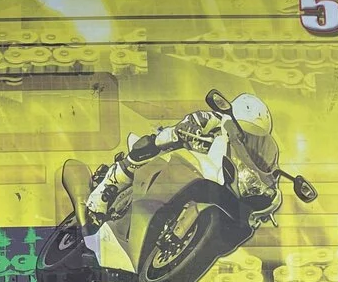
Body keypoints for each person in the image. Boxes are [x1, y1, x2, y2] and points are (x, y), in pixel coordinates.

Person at [84, 91, 283, 228]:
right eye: (247, 129)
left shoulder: (250, 152)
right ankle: (108, 187)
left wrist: (268, 195)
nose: (250, 137)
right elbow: (192, 121)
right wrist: (192, 132)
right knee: (157, 141)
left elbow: (267, 174)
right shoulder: (215, 120)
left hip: (211, 178)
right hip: (180, 157)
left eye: (256, 135)